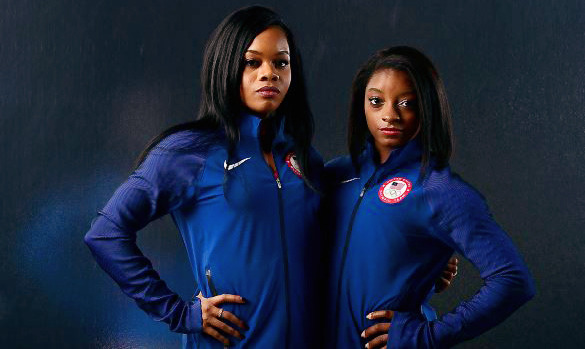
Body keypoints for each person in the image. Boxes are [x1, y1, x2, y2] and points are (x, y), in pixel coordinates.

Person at [84, 6, 324, 348]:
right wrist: (179, 314)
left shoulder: (305, 158)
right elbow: (106, 233)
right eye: (252, 62)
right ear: (227, 67)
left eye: (280, 62)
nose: (268, 73)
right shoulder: (189, 151)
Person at [324, 46, 535, 348]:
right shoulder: (335, 175)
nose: (390, 115)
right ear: (362, 105)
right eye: (376, 101)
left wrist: (428, 336)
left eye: (407, 103)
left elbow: (513, 280)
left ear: (427, 106)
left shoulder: (438, 190)